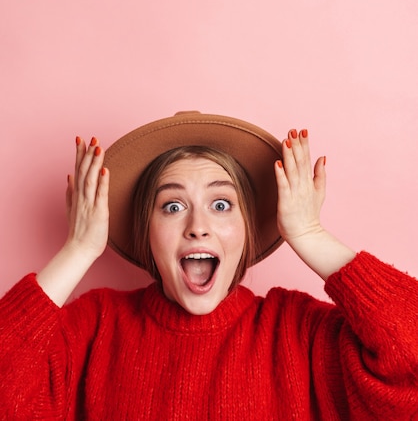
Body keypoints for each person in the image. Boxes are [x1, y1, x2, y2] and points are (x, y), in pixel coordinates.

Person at [0, 111, 417, 420]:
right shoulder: (92, 326)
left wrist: (309, 233)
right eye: (172, 206)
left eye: (221, 205)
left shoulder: (298, 332)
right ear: (146, 230)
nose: (198, 227)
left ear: (246, 229)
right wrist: (77, 249)